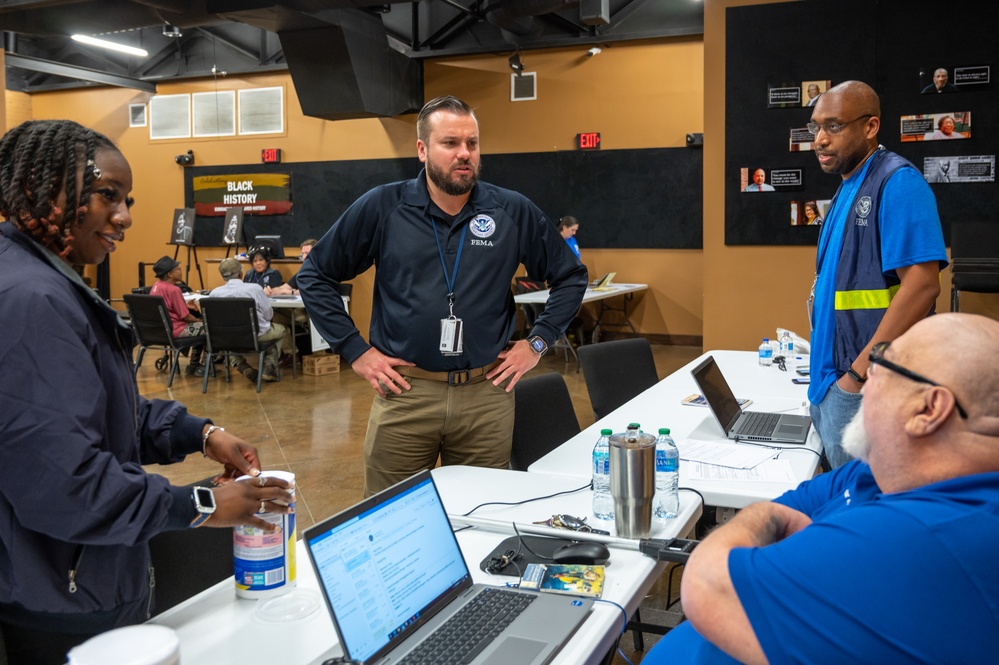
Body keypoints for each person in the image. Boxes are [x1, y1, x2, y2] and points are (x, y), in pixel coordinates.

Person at [0, 119, 293, 665]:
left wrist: (199, 433)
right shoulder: (29, 300)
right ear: (46, 186)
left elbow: (101, 412)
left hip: (85, 580)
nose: (125, 216)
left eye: (127, 199)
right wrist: (202, 504)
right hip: (60, 600)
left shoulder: (50, 281)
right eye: (107, 196)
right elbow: (68, 484)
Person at [644, 312, 999, 665]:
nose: (866, 380)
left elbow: (707, 584)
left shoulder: (920, 536)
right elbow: (792, 504)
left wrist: (760, 516)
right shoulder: (879, 471)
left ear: (928, 408)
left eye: (881, 363)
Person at [297, 95, 587, 496]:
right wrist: (355, 351)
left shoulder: (510, 211)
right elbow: (314, 274)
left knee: (483, 514)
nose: (464, 153)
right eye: (450, 143)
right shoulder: (385, 207)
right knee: (391, 520)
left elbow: (571, 277)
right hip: (405, 394)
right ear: (422, 149)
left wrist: (537, 342)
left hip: (487, 395)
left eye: (472, 143)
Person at [806, 80, 947, 468]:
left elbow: (922, 286)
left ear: (870, 127)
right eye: (815, 127)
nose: (819, 139)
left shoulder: (897, 182)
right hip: (830, 385)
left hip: (867, 386)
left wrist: (858, 374)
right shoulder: (848, 186)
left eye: (833, 127)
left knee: (872, 508)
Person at [209, 258, 290, 383]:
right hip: (255, 335)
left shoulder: (214, 294)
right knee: (282, 330)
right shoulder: (255, 289)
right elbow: (268, 315)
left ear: (222, 276)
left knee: (229, 341)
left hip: (227, 338)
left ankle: (242, 366)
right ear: (241, 273)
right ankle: (269, 366)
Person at [149, 255, 206, 375]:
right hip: (176, 330)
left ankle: (193, 366)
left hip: (161, 330)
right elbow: (186, 317)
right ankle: (202, 366)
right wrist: (199, 321)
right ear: (170, 274)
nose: (181, 271)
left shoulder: (156, 286)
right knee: (210, 328)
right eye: (178, 269)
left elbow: (168, 307)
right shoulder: (174, 290)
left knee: (200, 326)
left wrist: (185, 306)